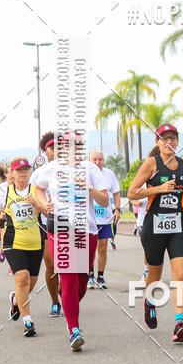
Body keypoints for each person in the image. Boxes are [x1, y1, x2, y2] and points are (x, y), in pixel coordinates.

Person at [34, 132, 109, 351]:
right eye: (68, 145)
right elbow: (37, 188)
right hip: (60, 227)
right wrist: (43, 204)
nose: (73, 148)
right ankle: (73, 329)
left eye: (77, 145)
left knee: (81, 282)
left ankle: (67, 301)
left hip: (87, 229)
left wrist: (89, 188)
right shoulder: (50, 168)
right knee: (68, 277)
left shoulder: (91, 169)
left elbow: (104, 201)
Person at [127, 126, 183, 343]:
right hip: (154, 225)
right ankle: (149, 302)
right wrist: (157, 189)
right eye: (164, 138)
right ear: (157, 142)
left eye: (173, 138)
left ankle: (179, 323)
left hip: (179, 224)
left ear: (177, 141)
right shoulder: (151, 164)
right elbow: (131, 192)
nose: (169, 142)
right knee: (154, 276)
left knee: (181, 274)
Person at [0, 158, 44, 337]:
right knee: (22, 278)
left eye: (25, 170)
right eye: (19, 170)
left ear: (30, 172)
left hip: (35, 242)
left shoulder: (37, 190)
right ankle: (27, 320)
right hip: (13, 241)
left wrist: (36, 204)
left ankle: (15, 299)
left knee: (32, 281)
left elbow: (47, 211)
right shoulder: (4, 191)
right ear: (11, 174)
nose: (22, 173)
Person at [30, 133, 62, 316]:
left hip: (69, 223)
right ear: (46, 151)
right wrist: (46, 209)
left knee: (72, 265)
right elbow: (34, 198)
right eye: (51, 148)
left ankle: (65, 290)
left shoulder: (71, 170)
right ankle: (55, 302)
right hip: (46, 223)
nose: (55, 151)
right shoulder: (39, 173)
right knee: (51, 264)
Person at [88, 150, 121, 289]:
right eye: (94, 159)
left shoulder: (109, 174)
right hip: (89, 218)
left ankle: (100, 276)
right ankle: (89, 276)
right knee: (89, 249)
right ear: (89, 160)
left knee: (102, 247)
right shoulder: (85, 173)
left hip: (105, 219)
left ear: (104, 160)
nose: (97, 162)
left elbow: (116, 192)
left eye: (100, 159)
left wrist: (117, 209)